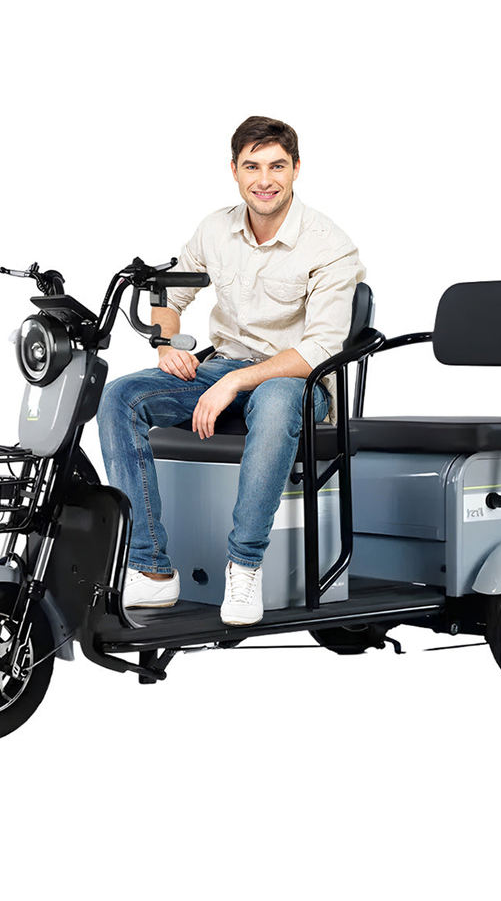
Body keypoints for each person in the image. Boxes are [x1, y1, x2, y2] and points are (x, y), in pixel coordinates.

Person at [97, 115, 365, 625]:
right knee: (120, 397)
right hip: (222, 369)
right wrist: (166, 345)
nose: (265, 180)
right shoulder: (215, 229)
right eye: (252, 166)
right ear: (235, 171)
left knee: (277, 398)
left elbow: (318, 349)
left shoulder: (330, 245)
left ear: (297, 169)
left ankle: (245, 566)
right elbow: (169, 294)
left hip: (299, 381)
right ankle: (151, 569)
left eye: (277, 166)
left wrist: (235, 381)